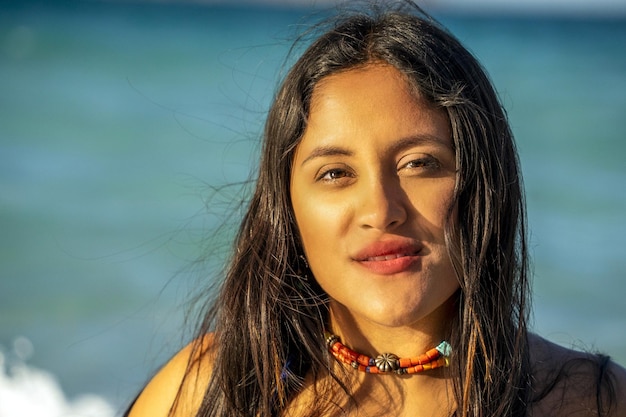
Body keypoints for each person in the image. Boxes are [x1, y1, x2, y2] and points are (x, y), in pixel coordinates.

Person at [125, 1, 626, 416]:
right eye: (335, 173)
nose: (380, 210)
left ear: (484, 181)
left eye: (419, 163)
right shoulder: (209, 391)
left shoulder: (588, 400)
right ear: (286, 208)